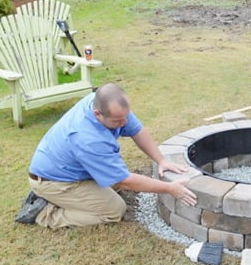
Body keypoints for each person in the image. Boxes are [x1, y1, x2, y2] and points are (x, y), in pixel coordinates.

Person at [16, 83, 197, 228]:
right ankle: (46, 213)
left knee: (113, 189)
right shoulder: (87, 138)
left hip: (71, 169)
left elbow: (137, 129)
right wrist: (170, 188)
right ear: (97, 114)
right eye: (118, 121)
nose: (124, 123)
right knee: (114, 210)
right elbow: (123, 180)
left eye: (126, 116)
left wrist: (161, 160)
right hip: (54, 181)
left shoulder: (103, 104)